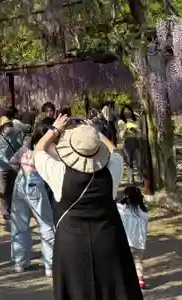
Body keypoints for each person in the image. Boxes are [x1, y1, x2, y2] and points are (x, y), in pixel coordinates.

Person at [34, 114, 142, 299]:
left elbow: (39, 150)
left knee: (77, 292)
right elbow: (114, 151)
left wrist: (54, 130)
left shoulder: (60, 174)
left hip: (72, 243)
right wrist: (96, 133)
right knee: (112, 292)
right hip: (108, 239)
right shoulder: (112, 170)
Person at [9, 125, 55, 276]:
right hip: (37, 186)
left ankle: (19, 262)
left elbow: (12, 162)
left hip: (20, 183)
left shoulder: (25, 147)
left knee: (20, 224)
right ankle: (50, 264)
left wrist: (23, 171)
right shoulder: (49, 150)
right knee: (46, 224)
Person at [117, 186, 148, 289]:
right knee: (138, 261)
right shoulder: (144, 212)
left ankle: (124, 281)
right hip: (140, 242)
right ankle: (140, 280)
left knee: (124, 262)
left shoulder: (122, 209)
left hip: (126, 241)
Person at [120, 106, 142, 184]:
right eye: (125, 111)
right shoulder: (121, 122)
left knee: (139, 162)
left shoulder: (136, 120)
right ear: (123, 113)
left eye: (128, 111)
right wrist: (125, 130)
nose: (127, 113)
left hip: (136, 141)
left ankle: (141, 178)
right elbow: (121, 136)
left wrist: (135, 130)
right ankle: (131, 180)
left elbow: (140, 133)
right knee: (130, 162)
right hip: (127, 143)